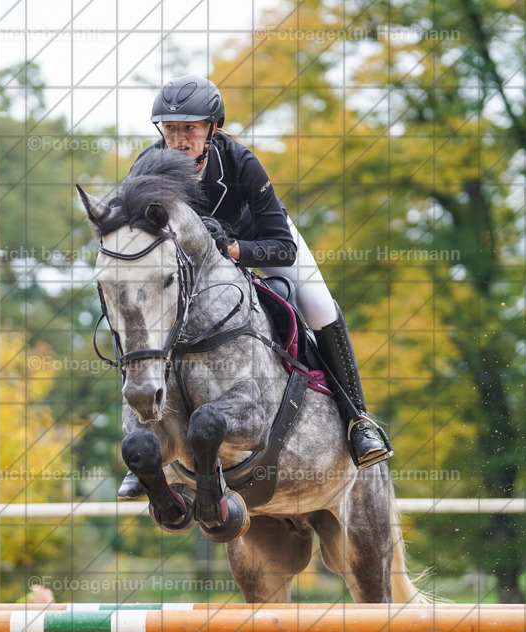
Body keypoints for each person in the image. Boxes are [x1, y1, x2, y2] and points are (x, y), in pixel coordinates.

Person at [116, 75, 391, 500]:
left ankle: (358, 420)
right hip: (190, 274)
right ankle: (147, 451)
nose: (179, 138)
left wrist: (232, 249)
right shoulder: (146, 167)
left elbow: (280, 245)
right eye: (171, 129)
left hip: (258, 245)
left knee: (317, 304)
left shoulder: (241, 163)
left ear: (212, 127)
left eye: (189, 128)